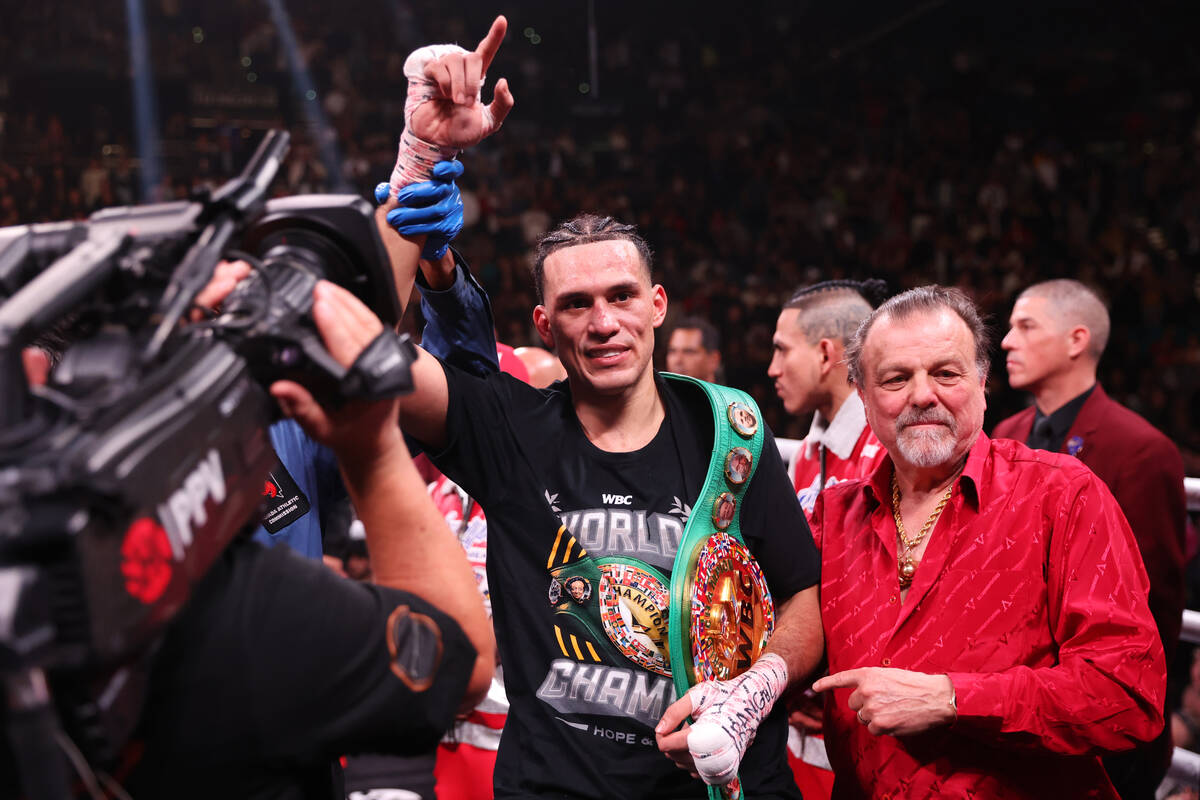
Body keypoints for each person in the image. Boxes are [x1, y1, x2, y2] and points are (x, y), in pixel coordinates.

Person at [387, 19, 822, 797]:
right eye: (577, 304)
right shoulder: (508, 427)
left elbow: (804, 596)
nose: (604, 321)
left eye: (622, 296)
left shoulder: (732, 431)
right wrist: (419, 158)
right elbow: (359, 360)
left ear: (657, 306)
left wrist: (749, 697)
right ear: (545, 326)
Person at [76, 281, 491, 798]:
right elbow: (461, 660)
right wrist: (375, 449)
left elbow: (460, 399)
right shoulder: (253, 604)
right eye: (196, 321)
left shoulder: (276, 419)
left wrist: (444, 281)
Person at [808, 285, 1166, 797]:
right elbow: (787, 646)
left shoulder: (1063, 495)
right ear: (862, 398)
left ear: (981, 383)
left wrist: (953, 699)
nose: (923, 394)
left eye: (946, 373)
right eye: (896, 378)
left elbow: (1129, 693)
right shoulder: (833, 515)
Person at [993, 278, 1187, 798]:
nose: (1006, 340)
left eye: (1025, 326)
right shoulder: (1003, 434)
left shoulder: (1141, 451)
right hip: (1001, 712)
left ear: (1076, 340)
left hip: (1089, 728)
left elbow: (1156, 612)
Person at [768, 280, 888, 516]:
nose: (773, 369)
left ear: (824, 355)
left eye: (782, 349)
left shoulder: (889, 450)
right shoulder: (805, 456)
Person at [665, 315, 722, 382]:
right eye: (672, 351)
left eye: (688, 352)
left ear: (713, 360)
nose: (678, 360)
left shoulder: (731, 392)